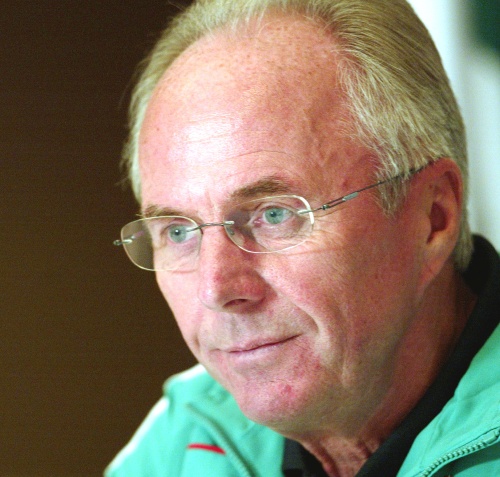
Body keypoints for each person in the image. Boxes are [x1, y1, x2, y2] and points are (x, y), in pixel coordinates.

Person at [106, 0, 500, 475]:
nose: (217, 289)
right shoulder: (187, 436)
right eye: (179, 231)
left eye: (274, 215)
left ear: (432, 217)